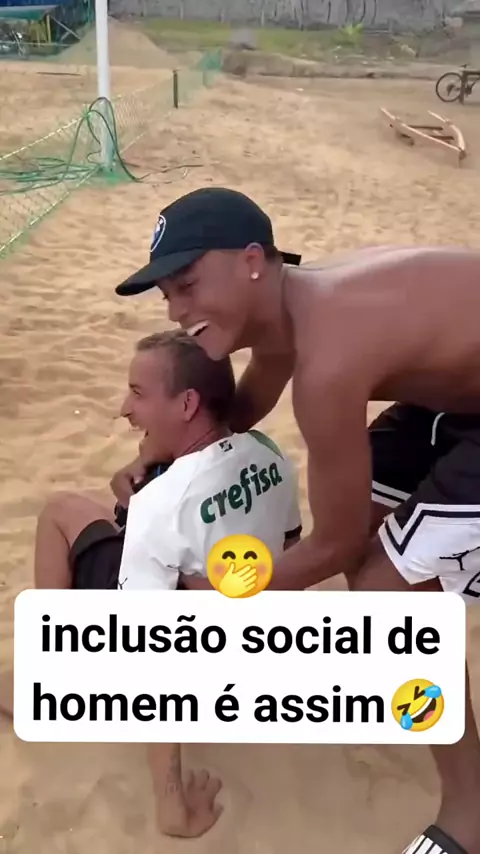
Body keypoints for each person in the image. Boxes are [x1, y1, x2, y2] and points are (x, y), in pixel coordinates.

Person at [115, 186, 480, 854]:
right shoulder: (292, 312)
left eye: (188, 285)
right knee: (371, 540)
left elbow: (331, 543)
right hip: (454, 398)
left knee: (385, 589)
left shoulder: (328, 359)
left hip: (464, 406)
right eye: (167, 294)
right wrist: (160, 455)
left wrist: (222, 593)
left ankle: (469, 812)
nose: (177, 311)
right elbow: (238, 411)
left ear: (253, 260)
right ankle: (413, 670)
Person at [32, 328, 302, 838]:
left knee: (61, 512)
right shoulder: (269, 453)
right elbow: (290, 544)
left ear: (187, 404)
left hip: (189, 660)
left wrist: (170, 799)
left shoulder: (161, 504)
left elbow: (152, 656)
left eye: (137, 393)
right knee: (124, 522)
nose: (124, 409)